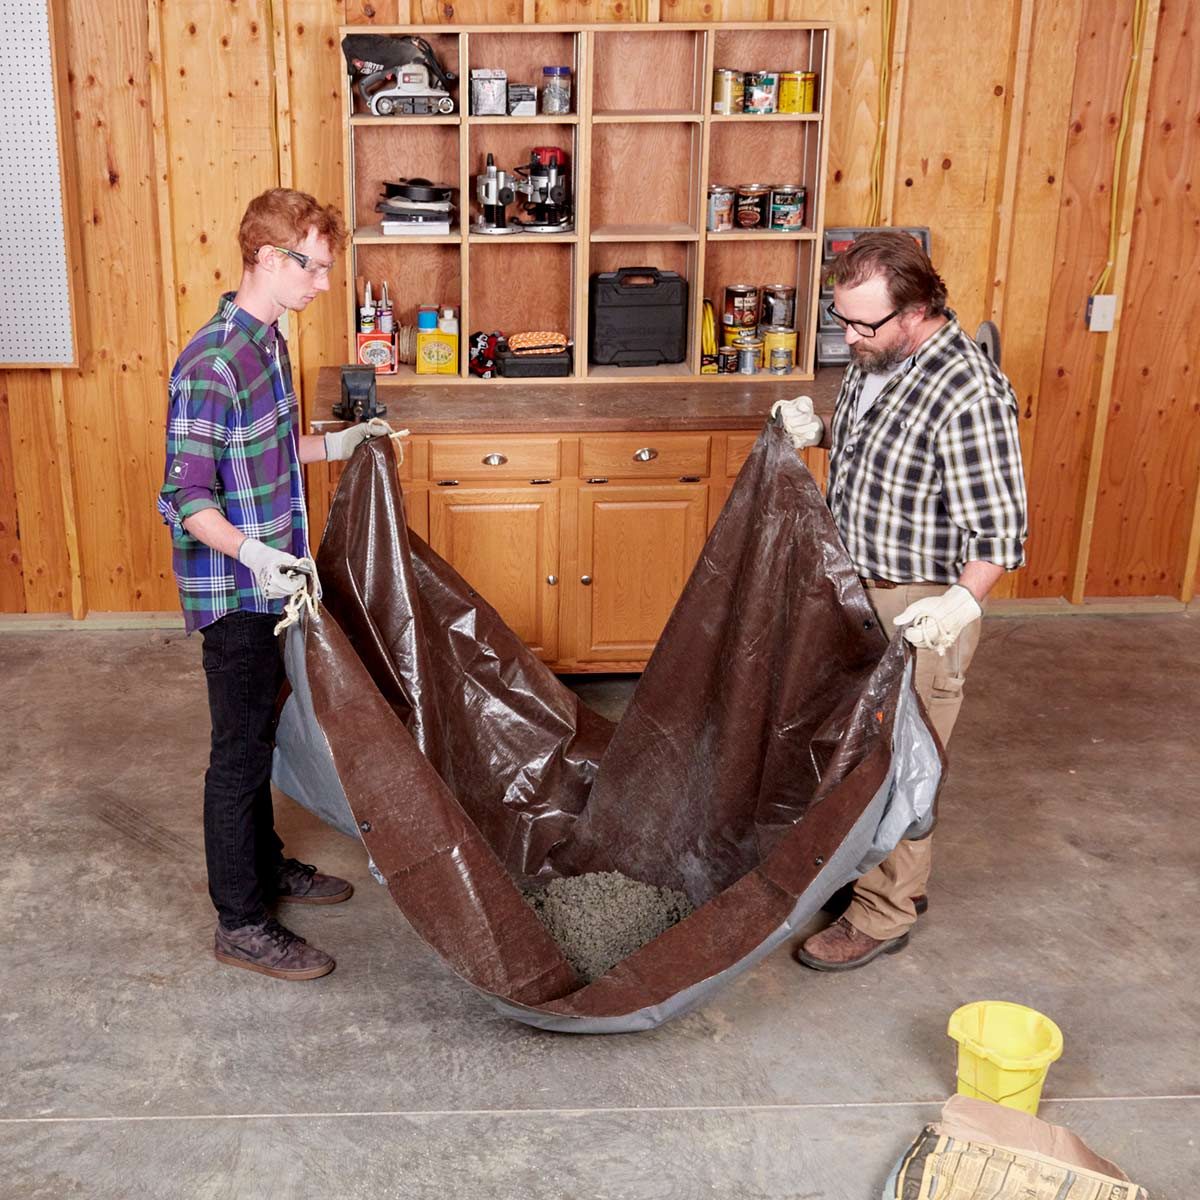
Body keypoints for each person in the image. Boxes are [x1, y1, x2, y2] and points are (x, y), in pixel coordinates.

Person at [773, 231, 1028, 972]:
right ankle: (870, 878)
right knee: (857, 753)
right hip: (858, 592)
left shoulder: (968, 393)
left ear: (917, 310)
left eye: (863, 325)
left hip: (923, 605)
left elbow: (1001, 531)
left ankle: (886, 913)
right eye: (841, 320)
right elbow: (880, 457)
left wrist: (958, 604)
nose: (848, 337)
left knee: (903, 763)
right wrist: (817, 432)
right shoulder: (876, 359)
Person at [157, 188, 390, 981]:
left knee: (261, 738)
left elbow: (278, 448)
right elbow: (185, 499)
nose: (324, 283)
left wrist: (351, 439)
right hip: (237, 596)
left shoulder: (271, 345)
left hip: (279, 585)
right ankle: (241, 920)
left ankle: (268, 865)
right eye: (315, 268)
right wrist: (255, 556)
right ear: (268, 257)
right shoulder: (211, 363)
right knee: (237, 752)